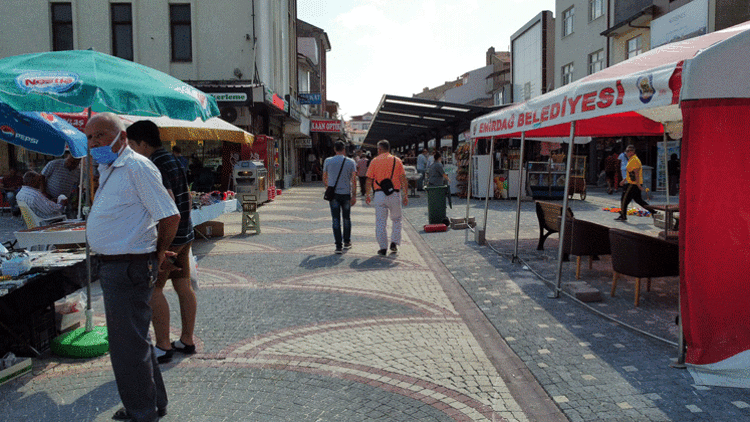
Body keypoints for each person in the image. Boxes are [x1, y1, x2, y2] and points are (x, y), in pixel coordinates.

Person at [85, 112, 180, 422]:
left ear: (122, 138)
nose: (94, 142)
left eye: (100, 135)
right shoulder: (111, 167)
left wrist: (157, 253)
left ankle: (141, 412)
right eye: (89, 137)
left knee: (126, 347)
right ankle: (153, 403)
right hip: (119, 265)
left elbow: (170, 216)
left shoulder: (137, 167)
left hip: (128, 266)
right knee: (136, 340)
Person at [127, 120, 197, 364]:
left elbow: (167, 205)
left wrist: (161, 248)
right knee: (183, 285)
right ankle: (187, 340)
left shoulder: (153, 163)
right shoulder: (172, 159)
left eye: (132, 145)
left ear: (143, 143)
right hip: (185, 233)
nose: (131, 150)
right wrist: (187, 227)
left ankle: (164, 346)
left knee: (154, 289)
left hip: (171, 237)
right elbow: (186, 196)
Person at [365, 139, 408, 256]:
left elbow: (369, 179)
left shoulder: (374, 161)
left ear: (379, 149)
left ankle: (383, 247)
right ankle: (394, 242)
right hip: (394, 193)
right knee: (397, 219)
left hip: (379, 194)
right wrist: (406, 194)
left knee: (380, 222)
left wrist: (367, 194)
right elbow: (403, 178)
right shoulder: (397, 160)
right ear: (389, 149)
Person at [322, 141, 357, 254]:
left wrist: (328, 187)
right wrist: (354, 195)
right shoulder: (351, 162)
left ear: (334, 149)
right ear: (344, 149)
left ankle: (338, 246)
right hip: (346, 194)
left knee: (335, 219)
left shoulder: (328, 161)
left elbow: (324, 178)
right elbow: (354, 180)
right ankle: (347, 241)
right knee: (346, 218)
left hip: (334, 196)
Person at [616, 145, 658, 221]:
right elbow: (630, 173)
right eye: (626, 151)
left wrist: (638, 185)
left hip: (633, 184)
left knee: (624, 199)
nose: (627, 152)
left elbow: (636, 174)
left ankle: (623, 215)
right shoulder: (631, 159)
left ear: (632, 152)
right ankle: (653, 212)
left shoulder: (634, 160)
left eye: (629, 151)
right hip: (633, 182)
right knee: (638, 200)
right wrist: (624, 180)